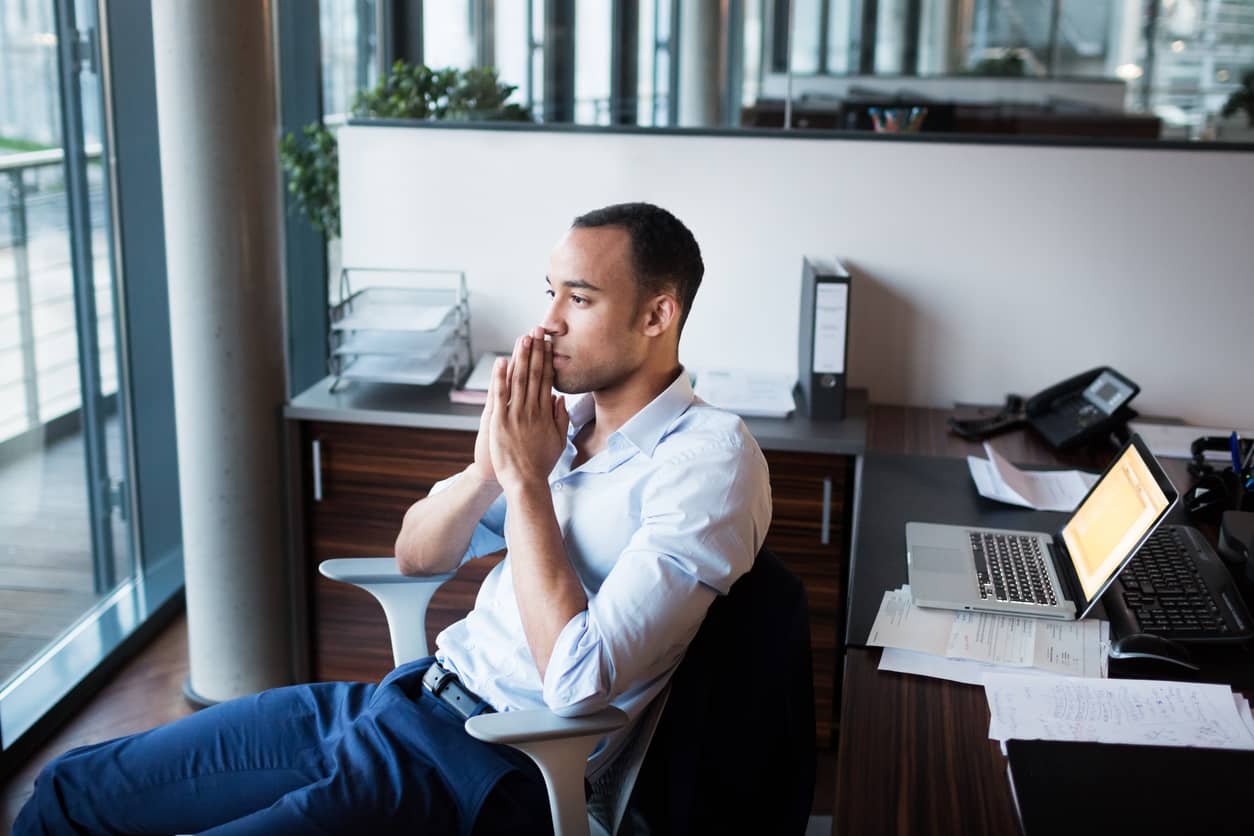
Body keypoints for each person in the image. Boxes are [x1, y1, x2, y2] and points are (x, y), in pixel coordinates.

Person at [16, 202, 772, 835]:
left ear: (657, 314)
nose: (545, 325)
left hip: (491, 765)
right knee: (71, 789)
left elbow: (579, 684)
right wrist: (487, 470)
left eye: (578, 298)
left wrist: (527, 483)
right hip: (403, 701)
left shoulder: (707, 460)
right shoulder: (561, 422)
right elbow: (418, 554)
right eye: (549, 293)